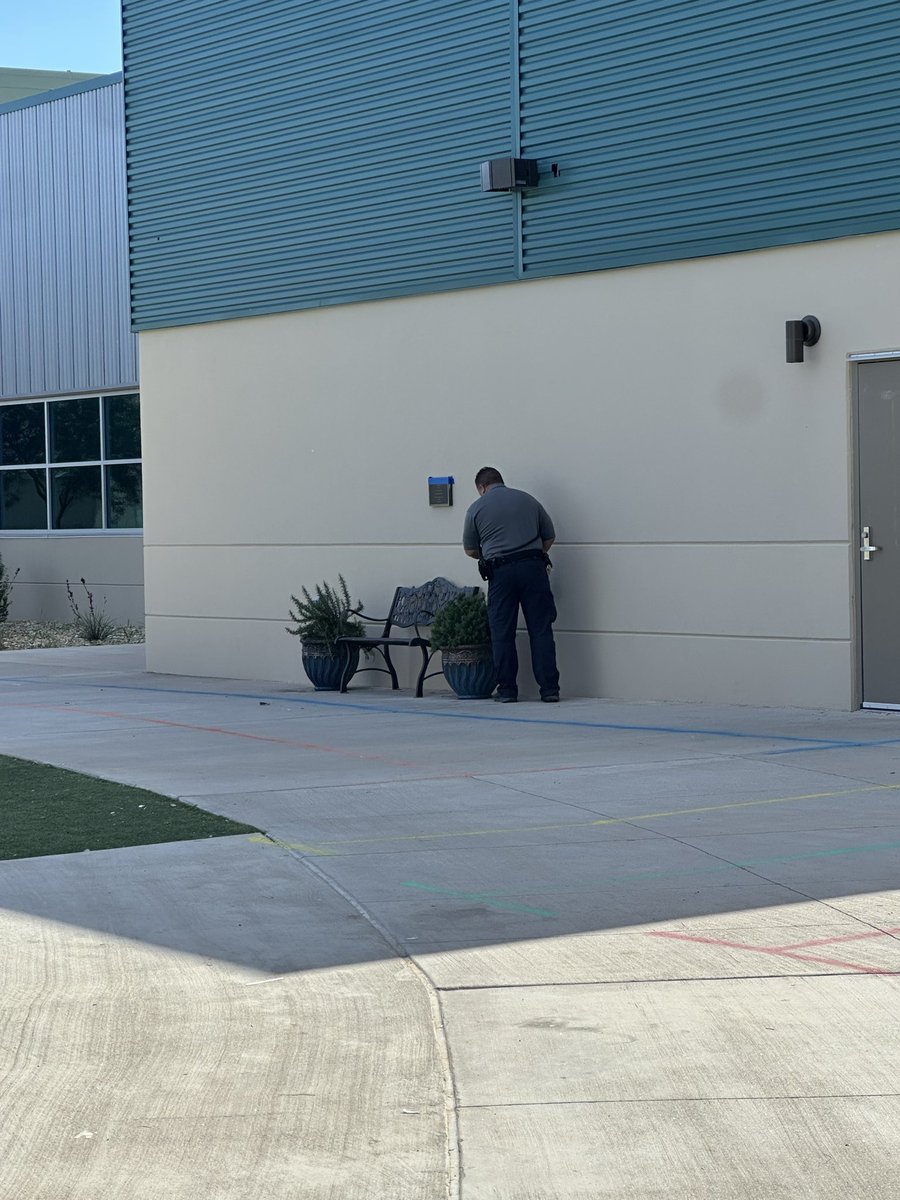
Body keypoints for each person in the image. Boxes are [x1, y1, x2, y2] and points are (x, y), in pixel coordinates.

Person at [462, 467, 560, 702]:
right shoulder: (529, 500)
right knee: (541, 629)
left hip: (501, 573)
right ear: (500, 481)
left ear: (482, 487)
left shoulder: (476, 508)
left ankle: (507, 690)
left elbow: (470, 550)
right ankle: (549, 690)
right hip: (534, 570)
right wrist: (531, 556)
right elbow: (549, 537)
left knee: (502, 633)